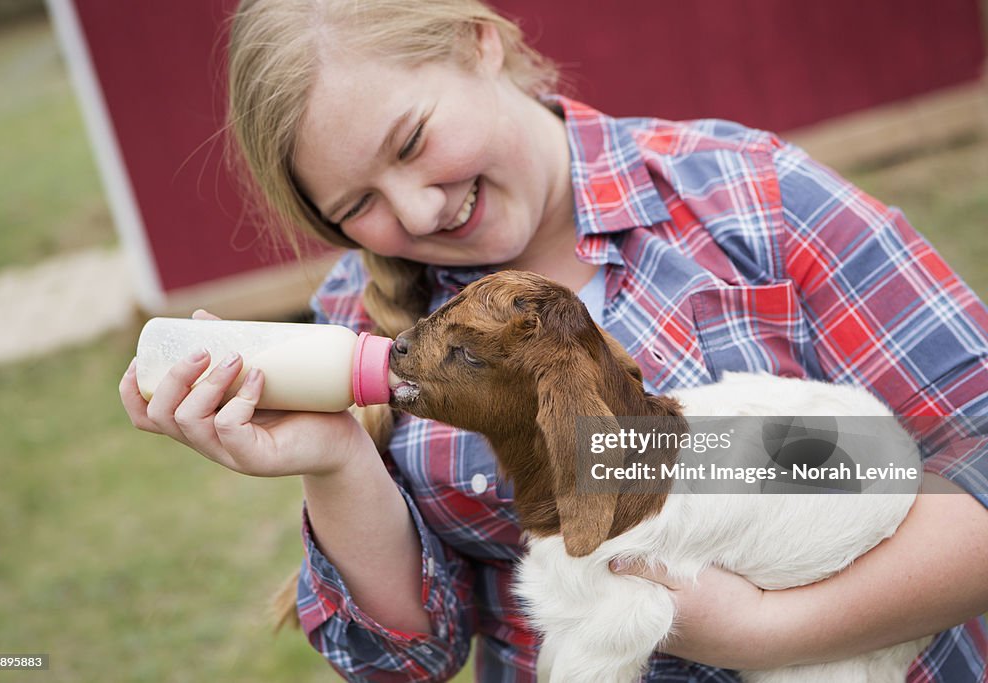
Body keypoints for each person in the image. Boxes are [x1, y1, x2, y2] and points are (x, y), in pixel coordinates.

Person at [118, 0, 988, 680]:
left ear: (477, 41)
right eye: (358, 207)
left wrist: (771, 631)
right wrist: (336, 460)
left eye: (413, 142)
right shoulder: (358, 319)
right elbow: (403, 662)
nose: (419, 210)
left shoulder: (748, 198)